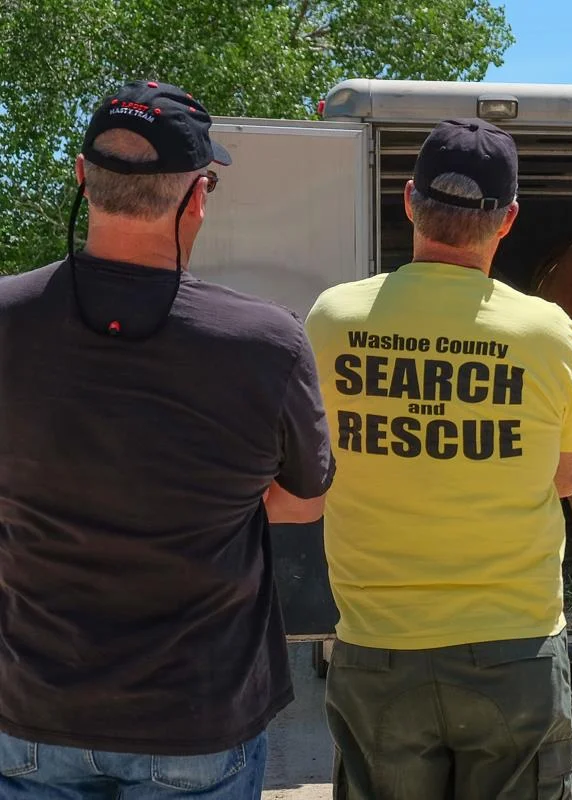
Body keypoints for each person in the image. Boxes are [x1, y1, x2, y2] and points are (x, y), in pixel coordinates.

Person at [0, 80, 334, 797]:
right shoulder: (267, 342)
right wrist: (212, 501)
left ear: (83, 177)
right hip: (196, 718)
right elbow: (305, 504)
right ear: (198, 197)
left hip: (29, 711)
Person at [305, 118, 572, 800]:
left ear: (409, 202)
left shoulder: (331, 319)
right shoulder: (544, 330)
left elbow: (309, 467)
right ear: (508, 219)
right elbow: (566, 476)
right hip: (514, 647)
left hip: (376, 648)